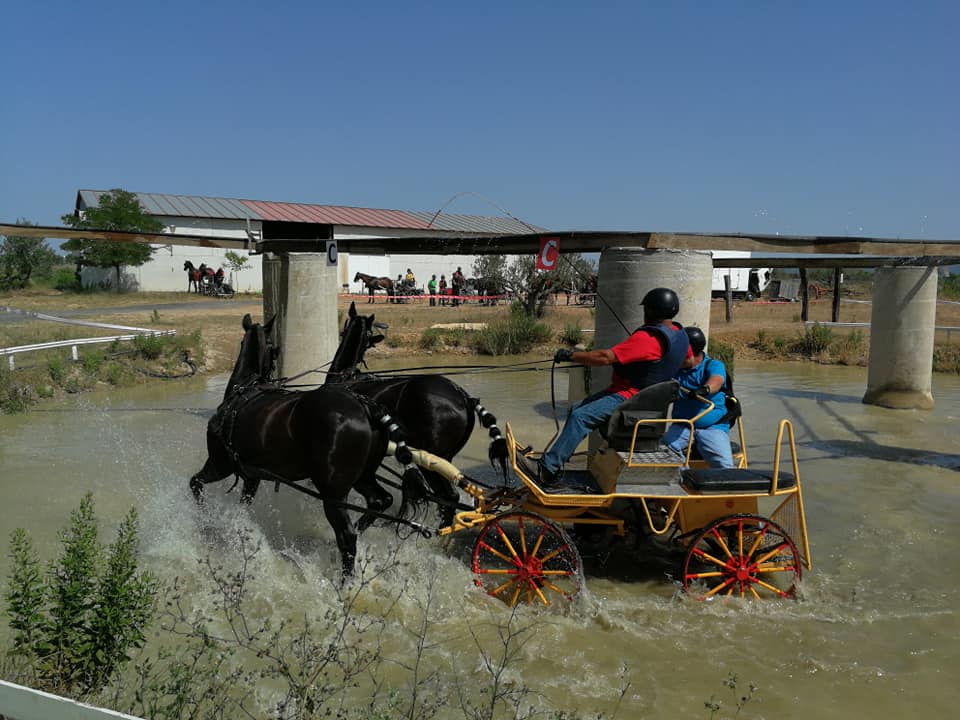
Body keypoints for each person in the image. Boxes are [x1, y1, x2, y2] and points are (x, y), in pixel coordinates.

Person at [531, 288, 690, 486]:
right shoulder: (680, 336)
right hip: (647, 399)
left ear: (651, 310)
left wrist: (570, 356)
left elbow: (605, 357)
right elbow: (688, 362)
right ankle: (560, 460)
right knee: (576, 409)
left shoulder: (648, 340)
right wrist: (653, 367)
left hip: (629, 397)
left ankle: (548, 469)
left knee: (581, 417)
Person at [662, 327, 735, 468]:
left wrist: (703, 390)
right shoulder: (674, 368)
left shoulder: (713, 365)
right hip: (682, 426)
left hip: (713, 428)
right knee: (663, 453)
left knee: (725, 466)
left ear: (689, 353)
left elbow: (717, 380)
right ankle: (683, 481)